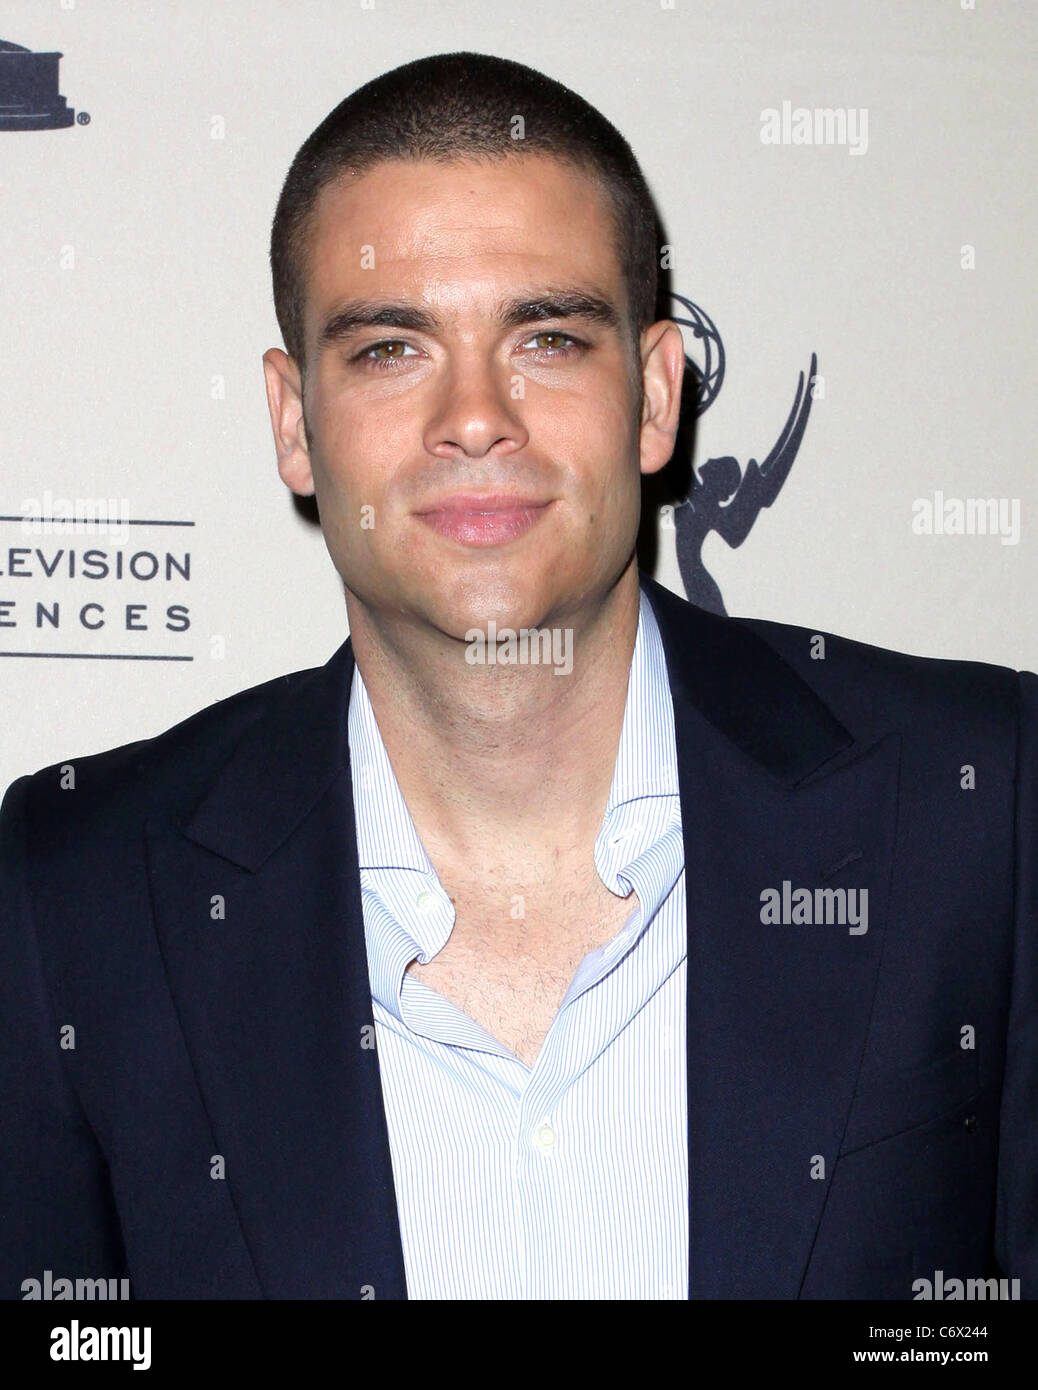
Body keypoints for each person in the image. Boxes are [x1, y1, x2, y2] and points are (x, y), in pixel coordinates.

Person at [1, 50, 1035, 1302]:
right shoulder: (76, 893)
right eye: (391, 348)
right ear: (294, 421)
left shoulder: (983, 805)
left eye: (547, 338)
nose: (477, 415)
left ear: (655, 397)